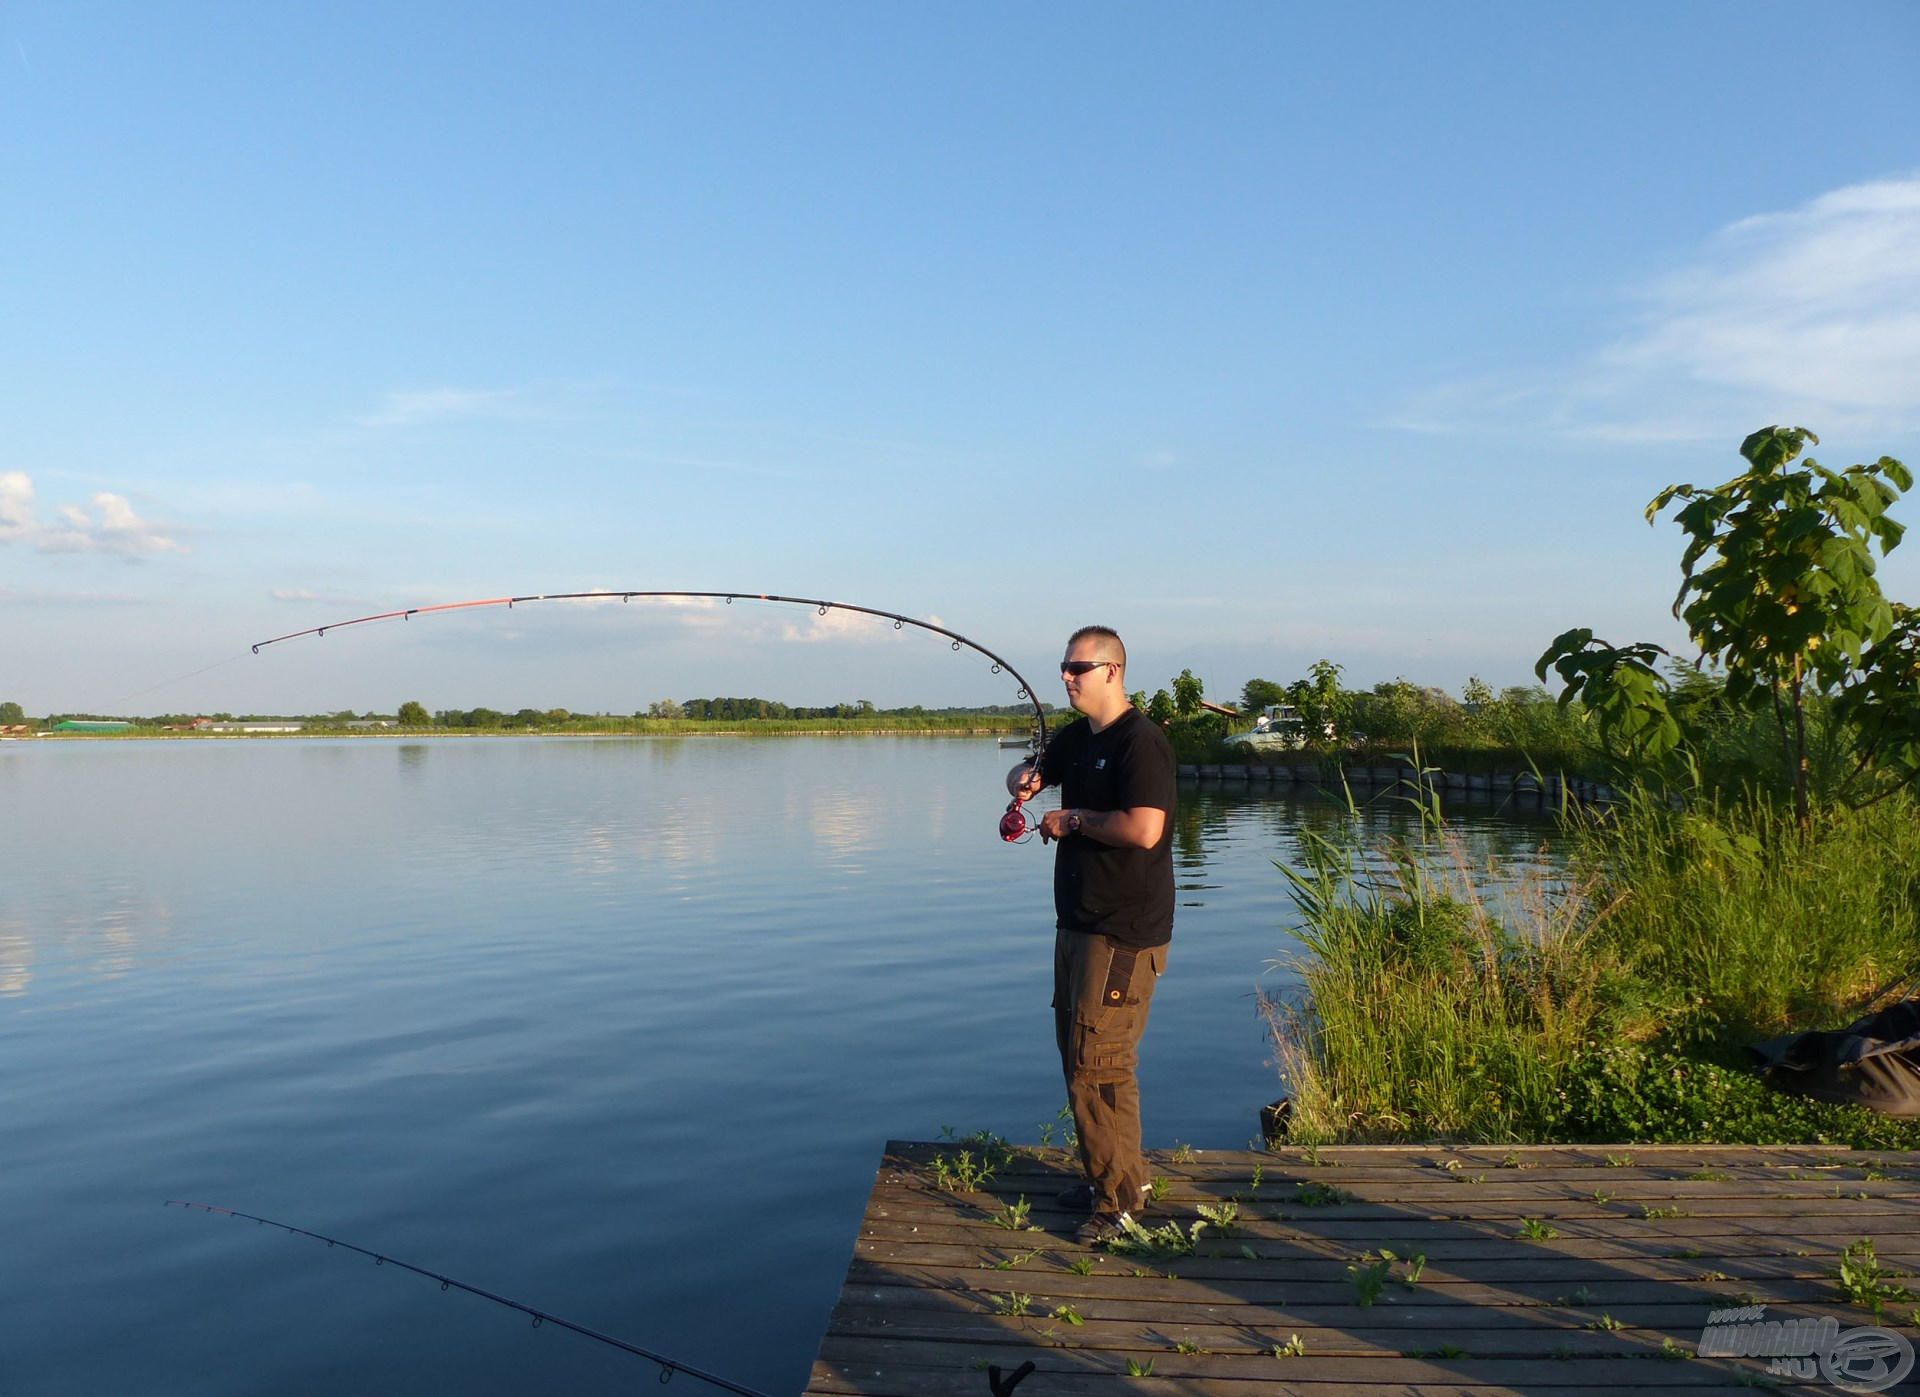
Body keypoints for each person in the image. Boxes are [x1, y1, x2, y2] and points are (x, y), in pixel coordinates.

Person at [1007, 624, 1176, 1244]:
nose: (1066, 677)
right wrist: (1025, 780)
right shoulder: (1079, 739)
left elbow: (1145, 830)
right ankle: (1121, 1177)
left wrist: (1074, 817)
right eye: (1062, 666)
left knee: (1097, 1065)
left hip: (1123, 932)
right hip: (1078, 925)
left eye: (1077, 667)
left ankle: (1119, 1203)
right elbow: (1030, 772)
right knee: (1086, 1058)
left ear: (1111, 670)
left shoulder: (1142, 743)